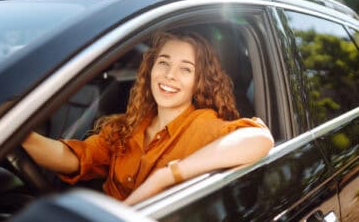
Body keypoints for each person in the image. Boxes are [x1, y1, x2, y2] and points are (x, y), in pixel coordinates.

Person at [22, 31, 274, 205]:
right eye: (163, 63)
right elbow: (74, 158)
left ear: (200, 82)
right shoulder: (127, 125)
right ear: (151, 69)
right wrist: (22, 136)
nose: (170, 75)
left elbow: (260, 139)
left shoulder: (203, 125)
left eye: (185, 69)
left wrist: (166, 175)